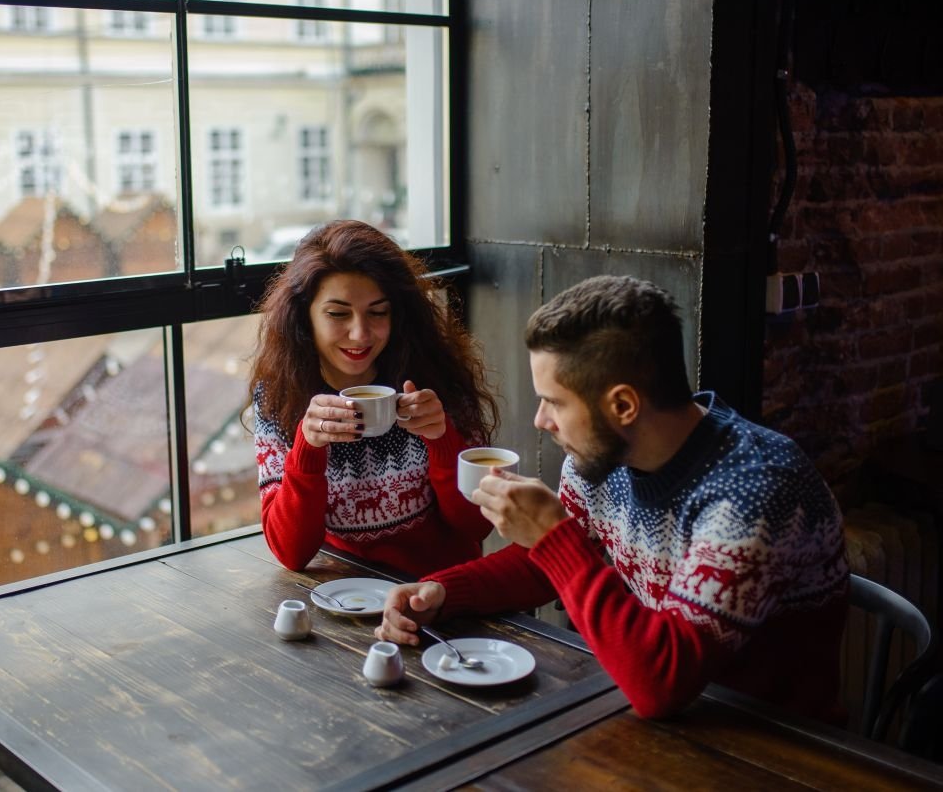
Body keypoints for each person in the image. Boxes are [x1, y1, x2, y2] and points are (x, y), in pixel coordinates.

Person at [377, 275, 849, 721]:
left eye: (554, 402)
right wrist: (443, 592)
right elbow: (546, 568)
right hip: (650, 710)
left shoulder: (754, 492)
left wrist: (552, 535)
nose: (542, 420)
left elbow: (661, 684)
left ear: (623, 405)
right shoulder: (600, 459)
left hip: (769, 742)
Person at [248, 220, 498, 577]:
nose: (360, 333)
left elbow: (477, 526)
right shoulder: (279, 396)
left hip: (442, 591)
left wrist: (442, 440)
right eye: (337, 314)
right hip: (348, 595)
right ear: (304, 316)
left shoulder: (434, 377)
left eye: (378, 312)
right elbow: (291, 553)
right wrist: (308, 446)